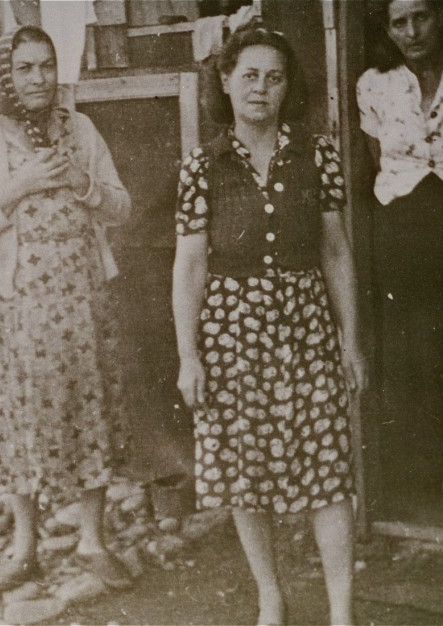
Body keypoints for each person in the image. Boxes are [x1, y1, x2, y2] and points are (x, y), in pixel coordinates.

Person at [172, 23, 368, 626]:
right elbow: (190, 265)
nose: (261, 88)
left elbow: (335, 250)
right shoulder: (202, 165)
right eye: (250, 75)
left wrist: (350, 341)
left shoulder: (318, 154)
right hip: (230, 334)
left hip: (306, 328)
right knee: (243, 472)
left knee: (327, 467)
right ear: (226, 81)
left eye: (274, 77)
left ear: (288, 88)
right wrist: (189, 356)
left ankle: (341, 612)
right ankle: (271, 597)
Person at [0, 25, 134, 593]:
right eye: (24, 68)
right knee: (21, 426)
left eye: (46, 66)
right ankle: (26, 546)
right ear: (5, 75)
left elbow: (121, 208)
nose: (38, 79)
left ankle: (92, 540)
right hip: (20, 311)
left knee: (92, 416)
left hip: (84, 304)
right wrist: (15, 187)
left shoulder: (82, 130)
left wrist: (84, 183)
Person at [356, 0, 443, 498]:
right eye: (399, 22)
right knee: (410, 353)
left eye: (422, 17)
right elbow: (378, 161)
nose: (412, 31)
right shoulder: (374, 84)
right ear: (387, 29)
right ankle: (421, 480)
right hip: (401, 230)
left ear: (442, 17)